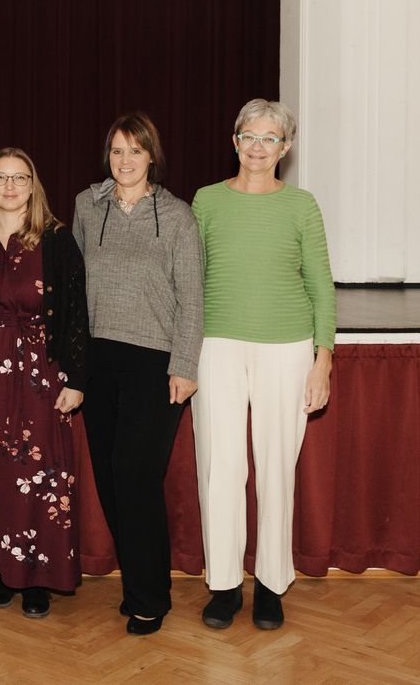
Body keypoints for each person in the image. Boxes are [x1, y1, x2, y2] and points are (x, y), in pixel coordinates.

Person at [191, 99, 334, 631]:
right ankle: (225, 585)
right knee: (219, 467)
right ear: (235, 141)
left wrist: (322, 363)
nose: (257, 147)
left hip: (287, 347)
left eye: (269, 138)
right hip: (215, 346)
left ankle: (272, 584)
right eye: (249, 136)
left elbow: (321, 285)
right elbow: (189, 278)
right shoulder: (206, 200)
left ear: (285, 147)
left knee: (276, 469)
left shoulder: (302, 205)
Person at [72, 113, 203, 635]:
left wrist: (185, 365)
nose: (125, 161)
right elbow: (74, 285)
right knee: (109, 479)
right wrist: (73, 363)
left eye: (135, 150)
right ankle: (137, 587)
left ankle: (151, 595)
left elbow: (192, 297)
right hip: (99, 359)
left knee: (136, 476)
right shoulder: (87, 206)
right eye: (117, 151)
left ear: (152, 156)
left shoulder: (177, 216)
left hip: (155, 362)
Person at [0, 147, 88, 620]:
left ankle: (39, 579)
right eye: (0, 177)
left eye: (19, 177)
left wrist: (76, 378)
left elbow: (77, 311)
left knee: (41, 470)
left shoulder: (56, 239)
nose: (10, 186)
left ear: (33, 186)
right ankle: (3, 572)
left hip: (40, 371)